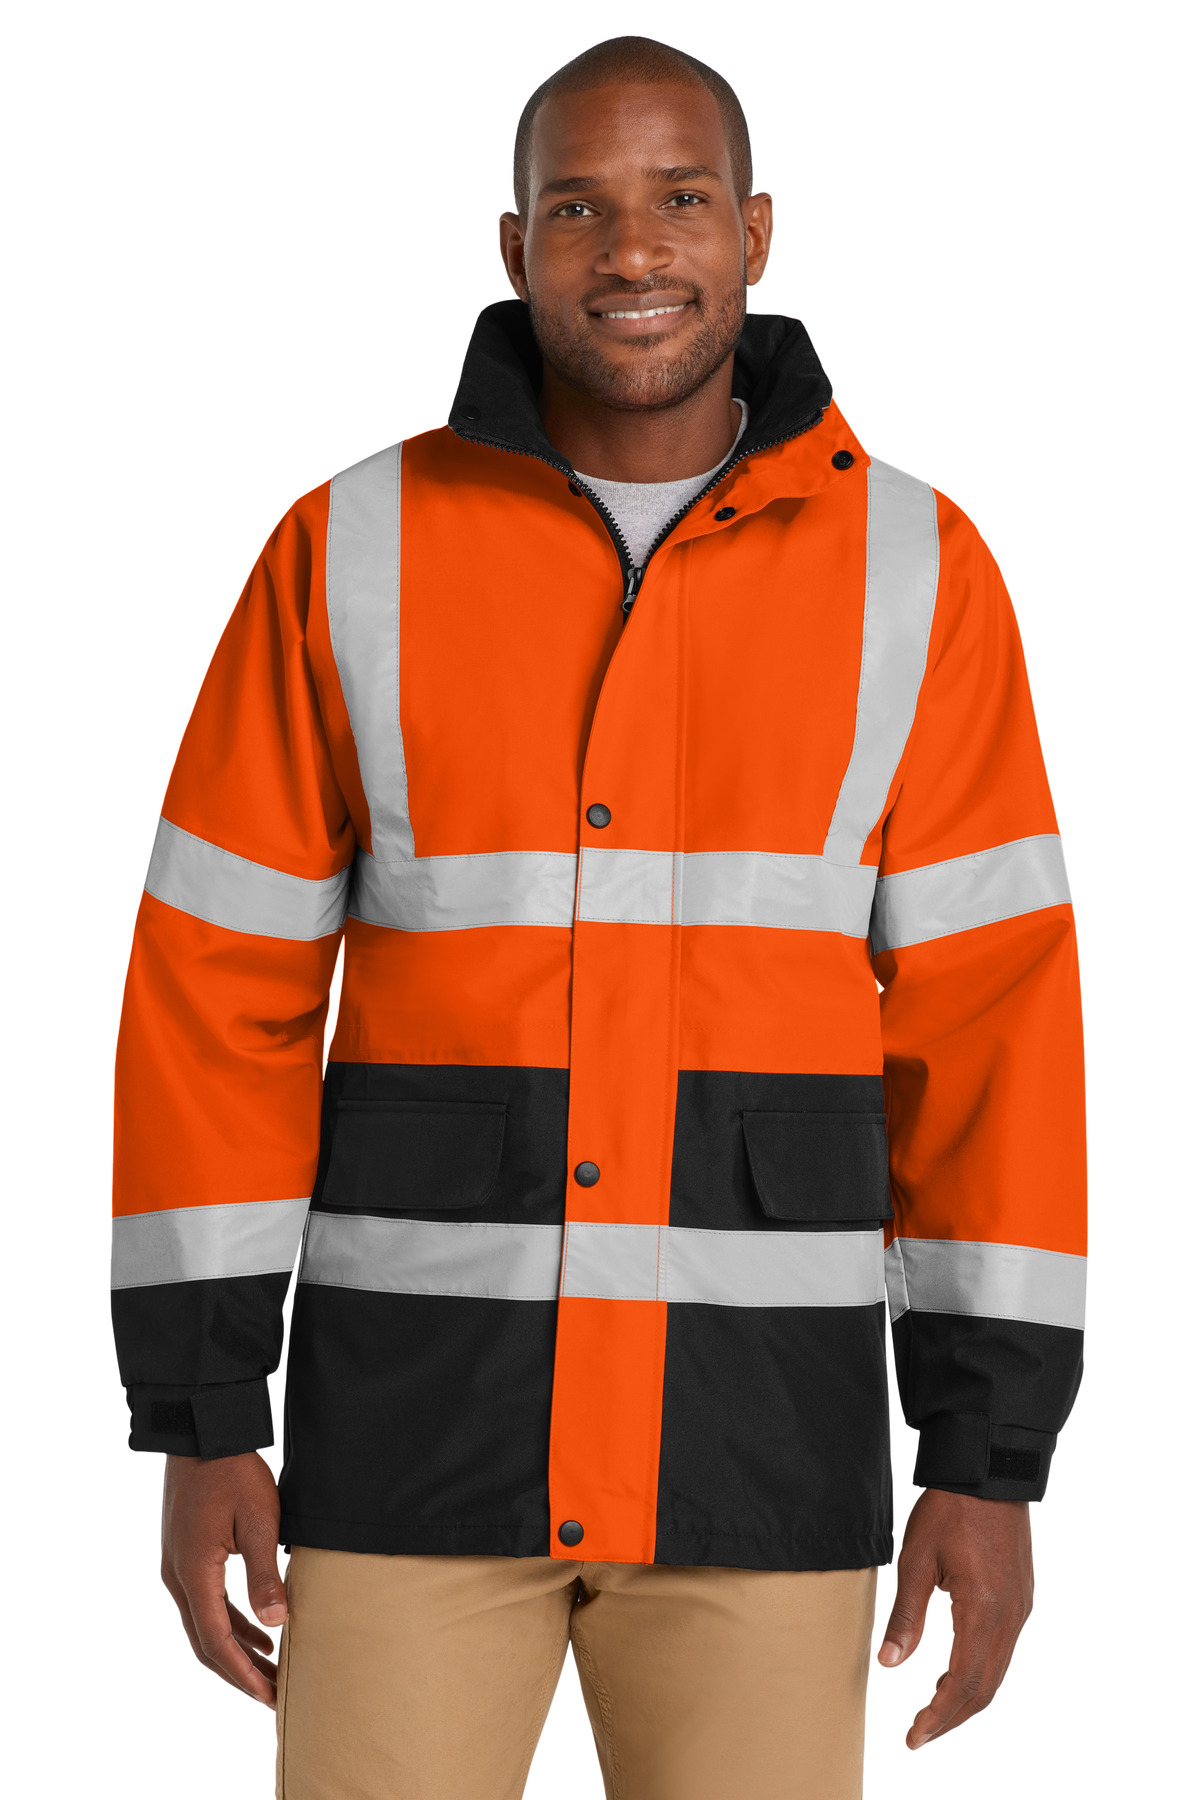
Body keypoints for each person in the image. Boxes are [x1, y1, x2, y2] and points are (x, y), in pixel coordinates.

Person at [111, 36, 1086, 1800]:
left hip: (759, 1451)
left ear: (757, 231)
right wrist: (201, 1416)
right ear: (515, 247)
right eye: (578, 209)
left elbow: (993, 1019)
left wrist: (987, 1453)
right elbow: (217, 986)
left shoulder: (918, 572)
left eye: (680, 199)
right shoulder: (349, 547)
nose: (632, 250)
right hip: (414, 1440)